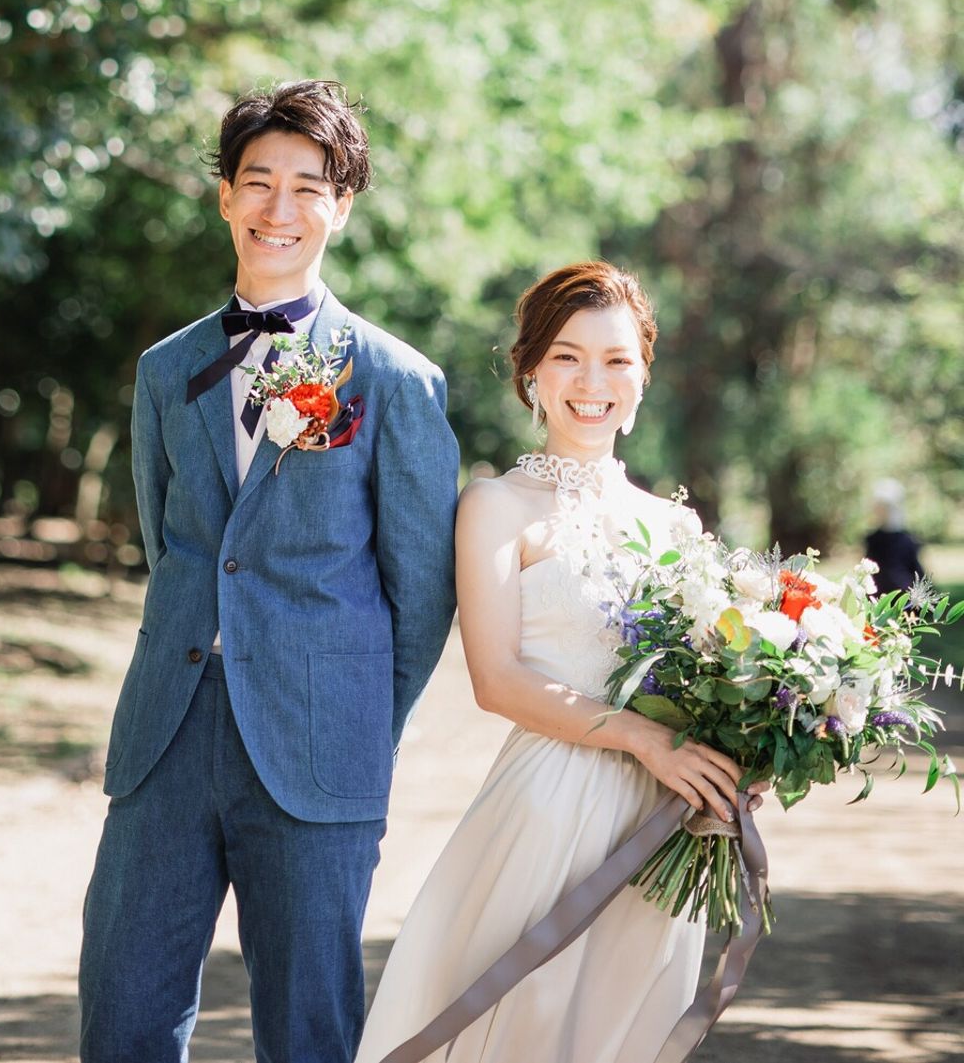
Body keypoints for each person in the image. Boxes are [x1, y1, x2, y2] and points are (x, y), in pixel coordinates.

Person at [78, 79, 460, 1063]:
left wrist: (356, 719)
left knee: (307, 1031)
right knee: (121, 1014)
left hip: (318, 745)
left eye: (306, 187)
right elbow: (174, 546)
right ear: (224, 196)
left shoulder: (394, 380)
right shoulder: (165, 370)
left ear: (342, 205)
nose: (277, 208)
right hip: (166, 731)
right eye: (256, 181)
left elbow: (422, 592)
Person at [356, 260, 749, 1063]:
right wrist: (643, 738)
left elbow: (703, 680)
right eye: (567, 355)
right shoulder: (495, 505)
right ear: (530, 369)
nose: (592, 381)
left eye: (616, 359)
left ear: (643, 375)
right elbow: (496, 679)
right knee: (520, 1022)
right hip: (549, 805)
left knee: (622, 1031)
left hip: (660, 819)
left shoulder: (676, 526)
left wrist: (737, 751)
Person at [864, 478, 925, 596]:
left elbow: (916, 572)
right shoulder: (873, 539)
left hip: (904, 596)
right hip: (878, 595)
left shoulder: (906, 540)